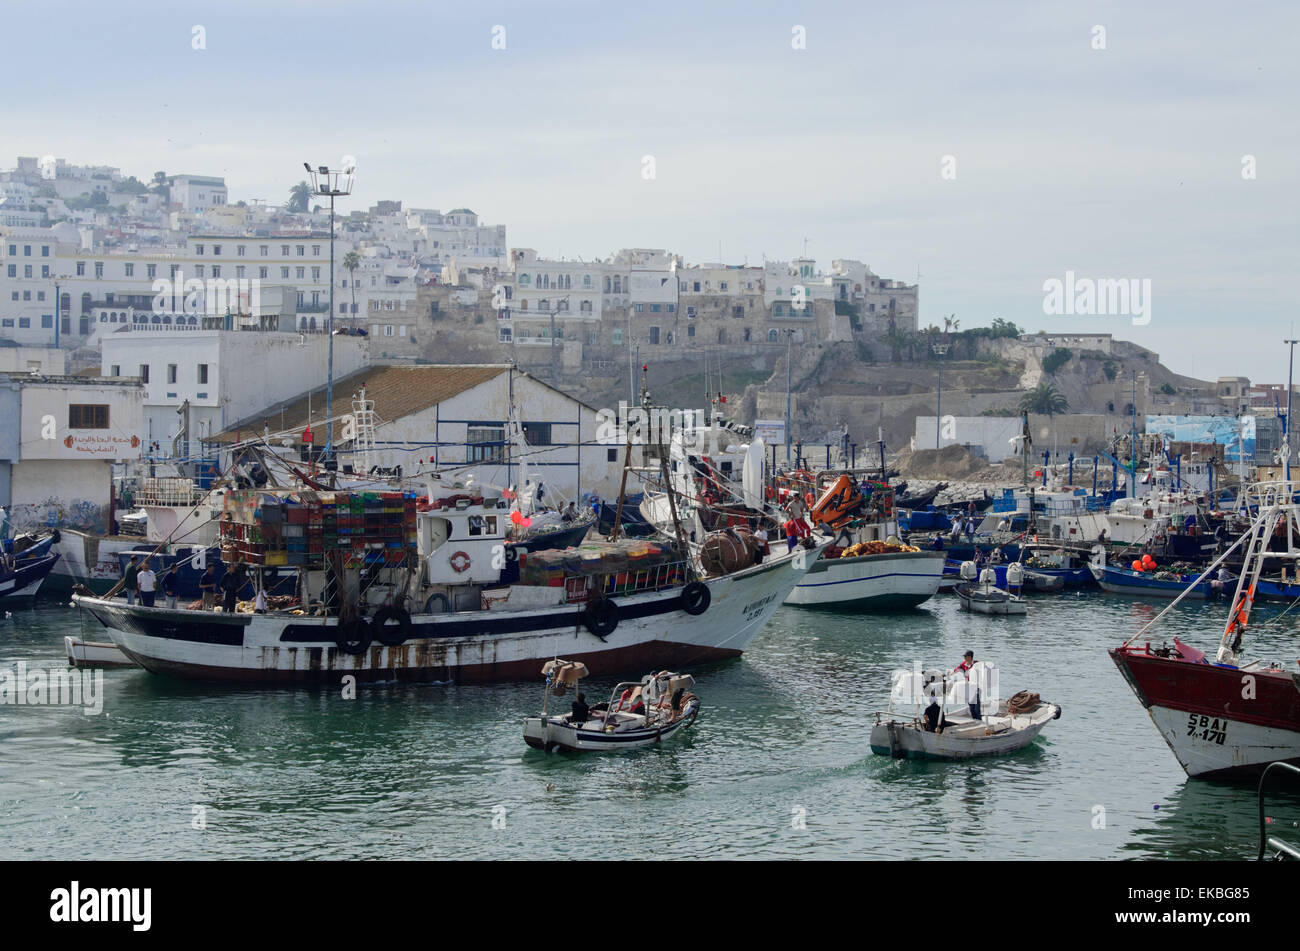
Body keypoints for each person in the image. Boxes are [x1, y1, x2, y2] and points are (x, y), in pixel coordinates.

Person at [954, 650, 981, 719]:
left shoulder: (976, 664)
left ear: (970, 657)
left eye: (965, 656)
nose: (964, 658)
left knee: (976, 706)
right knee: (971, 705)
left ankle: (979, 719)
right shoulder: (964, 664)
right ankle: (974, 719)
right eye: (964, 656)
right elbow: (957, 669)